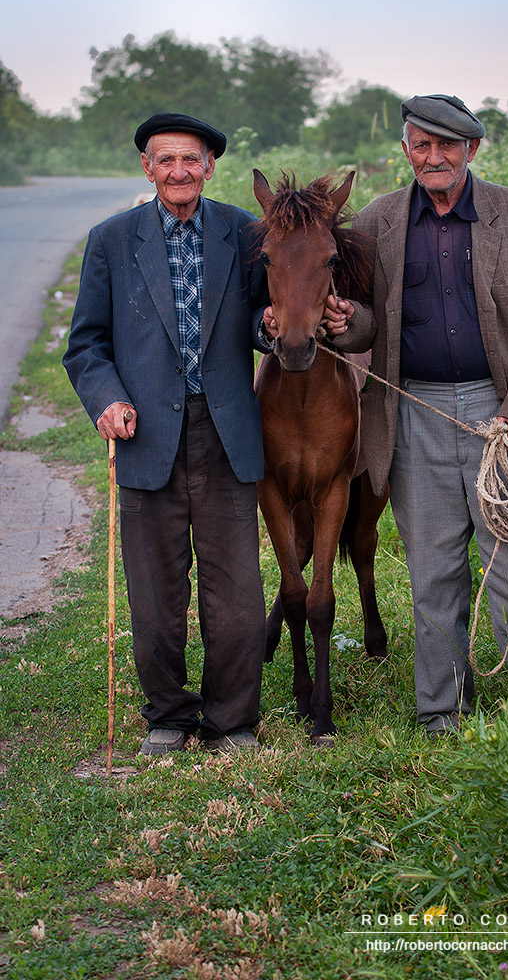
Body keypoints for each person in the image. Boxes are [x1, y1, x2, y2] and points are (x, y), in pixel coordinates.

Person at [347, 94, 508, 734]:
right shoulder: (375, 223)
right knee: (433, 575)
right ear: (406, 151)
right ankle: (442, 714)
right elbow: (364, 324)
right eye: (422, 144)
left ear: (471, 150)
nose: (434, 157)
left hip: (500, 418)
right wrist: (345, 322)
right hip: (411, 412)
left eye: (448, 145)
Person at [63, 112, 276, 756]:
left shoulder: (244, 233)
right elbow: (87, 344)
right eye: (165, 160)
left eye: (192, 159)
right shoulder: (111, 240)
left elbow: (268, 323)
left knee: (235, 587)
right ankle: (169, 715)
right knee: (156, 589)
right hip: (145, 431)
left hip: (226, 430)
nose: (179, 171)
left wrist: (273, 325)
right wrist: (107, 399)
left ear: (210, 167)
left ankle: (232, 719)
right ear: (147, 168)